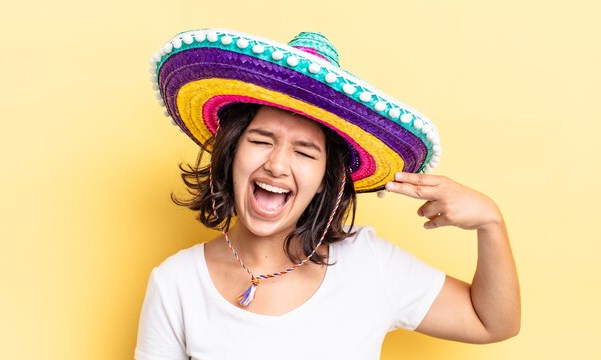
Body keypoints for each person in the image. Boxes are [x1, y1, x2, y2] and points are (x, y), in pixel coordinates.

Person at [136, 29, 520, 360]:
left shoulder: (370, 264)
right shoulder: (176, 283)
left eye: (304, 152)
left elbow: (492, 322)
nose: (277, 165)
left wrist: (491, 222)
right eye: (261, 140)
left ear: (325, 178)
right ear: (232, 152)